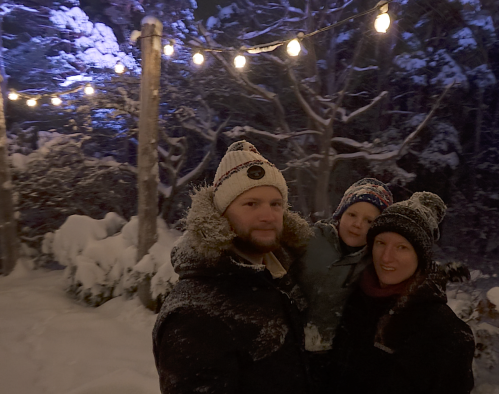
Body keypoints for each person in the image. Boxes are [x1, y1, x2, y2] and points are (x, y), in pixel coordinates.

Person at [152, 140, 313, 394]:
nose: (268, 216)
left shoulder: (280, 276)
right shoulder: (195, 314)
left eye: (275, 204)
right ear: (221, 213)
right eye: (251, 203)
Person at [331, 192, 475, 394]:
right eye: (381, 243)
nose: (386, 257)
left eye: (402, 247)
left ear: (420, 257)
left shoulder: (445, 333)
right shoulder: (350, 298)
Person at [293, 178, 393, 352]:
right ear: (340, 214)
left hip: (328, 351)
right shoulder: (310, 239)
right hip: (288, 339)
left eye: (369, 221)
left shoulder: (373, 262)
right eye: (352, 214)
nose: (357, 224)